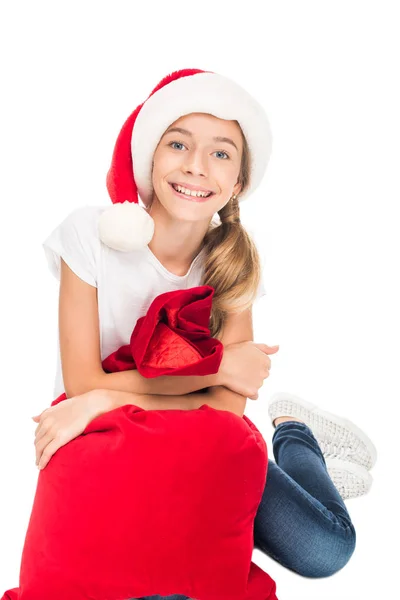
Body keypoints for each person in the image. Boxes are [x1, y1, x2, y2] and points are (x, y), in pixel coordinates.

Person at [37, 68, 377, 600]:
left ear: (238, 182)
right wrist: (214, 368)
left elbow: (227, 411)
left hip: (199, 450)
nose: (196, 166)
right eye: (178, 144)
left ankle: (295, 434)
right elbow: (83, 381)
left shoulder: (232, 264)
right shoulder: (90, 235)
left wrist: (108, 392)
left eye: (221, 153)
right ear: (150, 156)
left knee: (325, 549)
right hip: (118, 452)